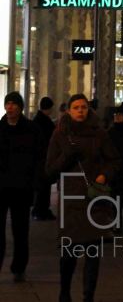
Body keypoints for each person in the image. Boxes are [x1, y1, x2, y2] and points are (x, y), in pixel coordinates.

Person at [46, 93, 119, 302]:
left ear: (89, 109)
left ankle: (89, 296)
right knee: (69, 253)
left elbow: (114, 160)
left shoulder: (99, 133)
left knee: (93, 254)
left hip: (94, 198)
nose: (80, 111)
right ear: (69, 110)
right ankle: (65, 291)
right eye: (76, 107)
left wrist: (104, 175)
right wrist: (67, 155)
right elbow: (50, 170)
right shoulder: (60, 134)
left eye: (84, 107)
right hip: (71, 202)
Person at [0, 91, 41, 283]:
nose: (10, 107)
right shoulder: (0, 128)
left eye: (13, 104)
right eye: (7, 103)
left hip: (21, 187)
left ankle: (19, 266)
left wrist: (33, 183)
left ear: (20, 107)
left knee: (20, 229)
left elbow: (37, 158)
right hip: (1, 187)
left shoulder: (31, 129)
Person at [32, 96, 56, 220]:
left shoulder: (36, 120)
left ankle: (38, 210)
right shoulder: (45, 122)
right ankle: (41, 211)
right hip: (44, 158)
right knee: (44, 187)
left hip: (38, 159)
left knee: (41, 187)